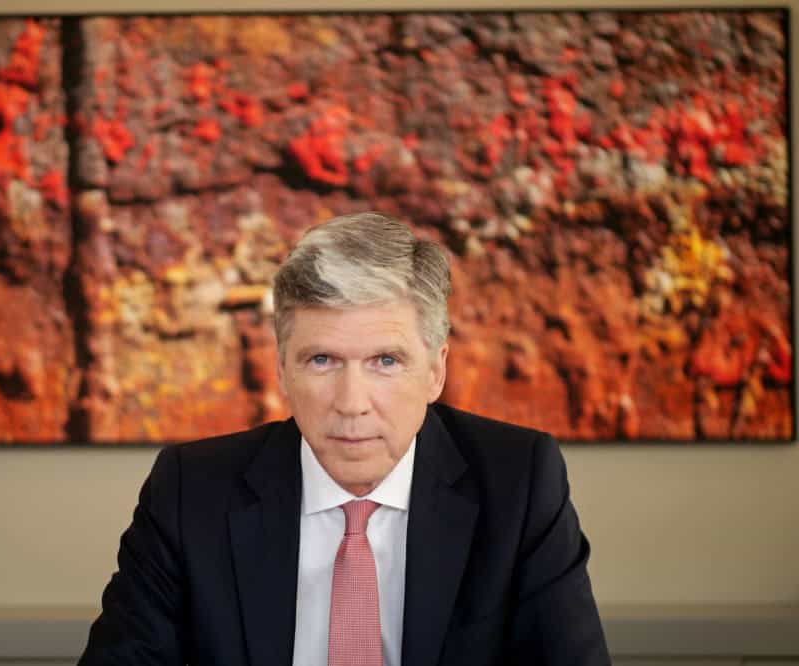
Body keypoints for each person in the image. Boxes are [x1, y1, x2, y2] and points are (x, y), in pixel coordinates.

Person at [79, 212, 610, 665]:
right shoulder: (189, 491)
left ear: (435, 372)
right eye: (322, 360)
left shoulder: (519, 485)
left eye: (386, 361)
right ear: (282, 371)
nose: (352, 402)